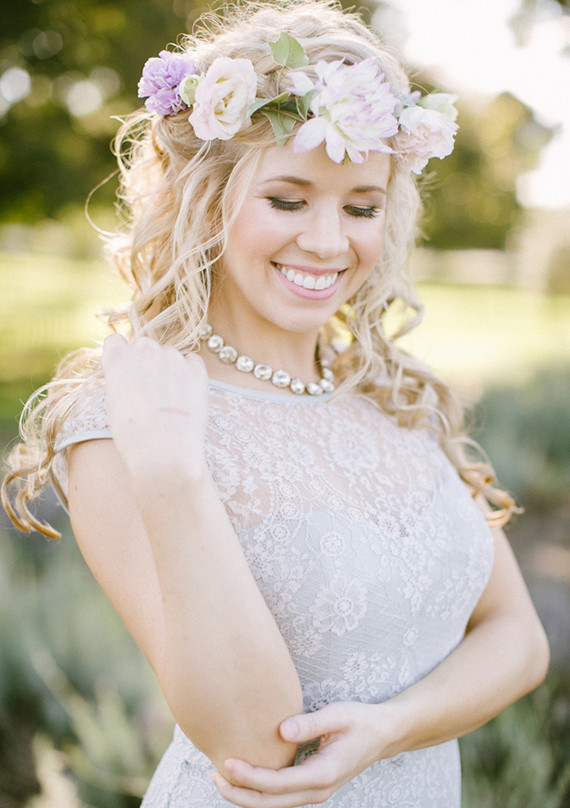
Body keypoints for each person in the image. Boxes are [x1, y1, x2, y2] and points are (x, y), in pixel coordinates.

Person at [2, 1, 549, 806]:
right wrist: (175, 475)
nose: (330, 242)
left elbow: (519, 638)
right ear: (204, 198)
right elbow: (253, 745)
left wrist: (392, 728)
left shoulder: (396, 397)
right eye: (288, 200)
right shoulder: (122, 421)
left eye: (360, 206)